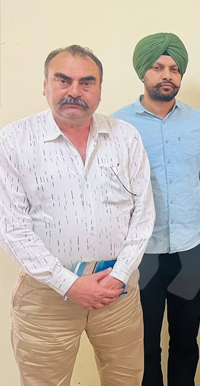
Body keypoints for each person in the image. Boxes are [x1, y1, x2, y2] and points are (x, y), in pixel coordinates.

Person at [0, 45, 155, 385]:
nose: (75, 91)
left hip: (118, 292)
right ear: (45, 85)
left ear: (99, 89)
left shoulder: (125, 137)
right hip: (47, 296)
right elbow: (12, 228)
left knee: (127, 380)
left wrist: (120, 275)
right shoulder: (13, 141)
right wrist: (68, 284)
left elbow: (143, 214)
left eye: (87, 82)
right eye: (63, 80)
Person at [113, 32, 200, 386]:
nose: (167, 75)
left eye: (174, 69)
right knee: (143, 343)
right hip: (140, 253)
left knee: (186, 340)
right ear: (142, 73)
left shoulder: (197, 122)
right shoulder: (118, 126)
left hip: (191, 249)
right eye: (158, 67)